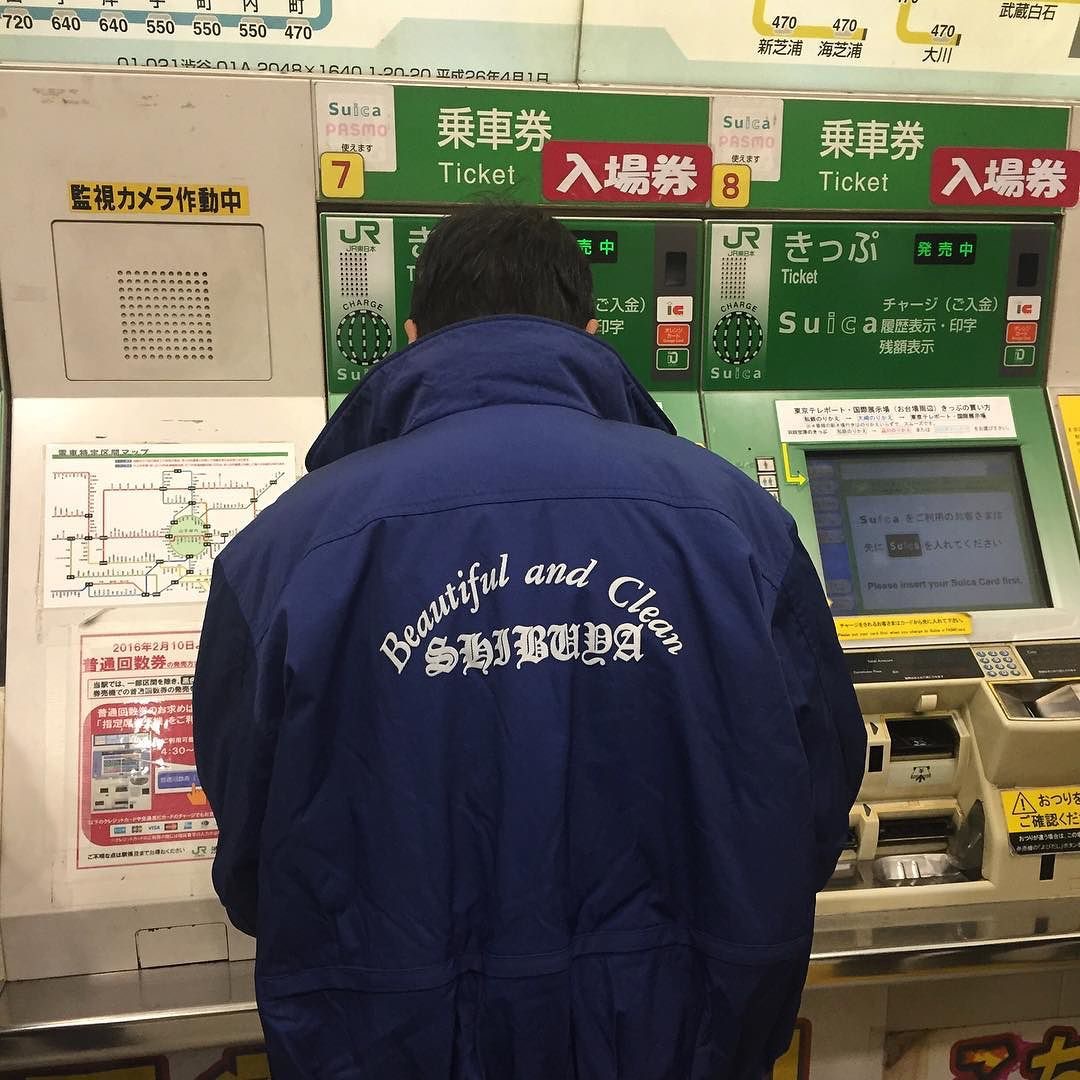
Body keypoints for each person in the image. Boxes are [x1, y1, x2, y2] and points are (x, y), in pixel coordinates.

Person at [193, 204, 866, 1079]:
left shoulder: (283, 552)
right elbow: (816, 802)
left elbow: (250, 857)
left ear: (411, 336)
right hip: (680, 1034)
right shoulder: (738, 524)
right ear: (591, 334)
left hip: (391, 1038)